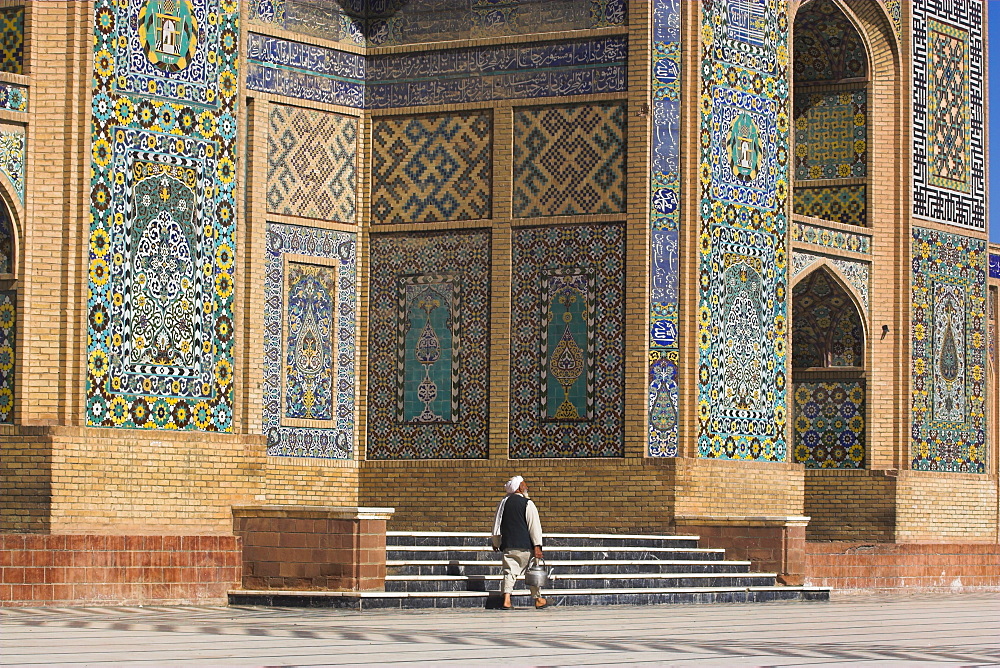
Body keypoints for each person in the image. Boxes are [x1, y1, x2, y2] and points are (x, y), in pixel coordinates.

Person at [491, 475, 547, 610]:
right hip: (526, 546)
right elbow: (534, 527)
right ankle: (538, 599)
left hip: (509, 545)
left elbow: (496, 525)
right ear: (520, 488)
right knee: (534, 571)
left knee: (509, 572)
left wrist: (496, 542)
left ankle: (507, 599)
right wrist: (537, 546)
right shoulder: (528, 503)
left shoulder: (503, 504)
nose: (526, 487)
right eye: (524, 485)